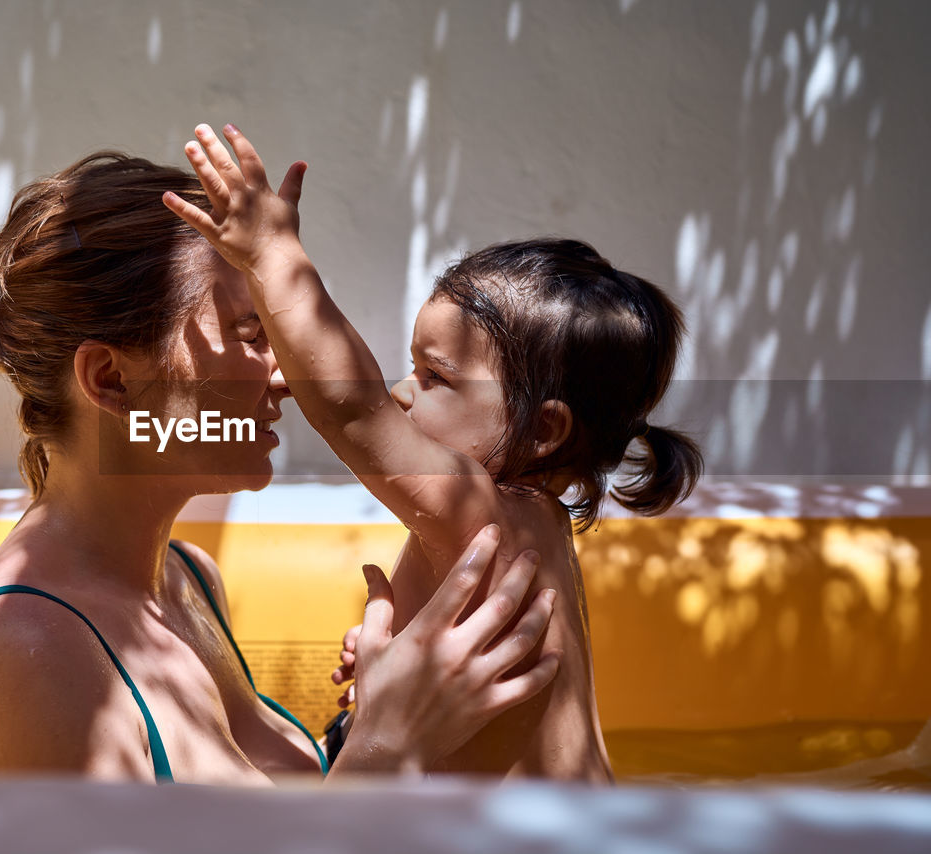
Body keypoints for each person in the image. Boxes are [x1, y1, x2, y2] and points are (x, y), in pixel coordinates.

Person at [0, 151, 561, 782]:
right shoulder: (21, 651)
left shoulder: (189, 579)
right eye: (252, 335)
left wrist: (378, 718)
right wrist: (386, 746)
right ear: (109, 379)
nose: (285, 375)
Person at [165, 124, 703, 781]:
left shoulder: (484, 515)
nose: (402, 392)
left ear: (544, 429)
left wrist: (273, 256)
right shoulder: (526, 527)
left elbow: (353, 410)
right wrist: (393, 666)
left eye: (435, 377)